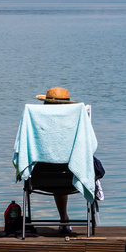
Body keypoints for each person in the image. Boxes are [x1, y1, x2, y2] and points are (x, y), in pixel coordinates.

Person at [35, 86, 78, 234]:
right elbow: (92, 143)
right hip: (71, 177)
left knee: (54, 166)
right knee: (64, 167)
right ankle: (64, 219)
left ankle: (64, 219)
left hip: (40, 178)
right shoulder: (74, 121)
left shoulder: (37, 123)